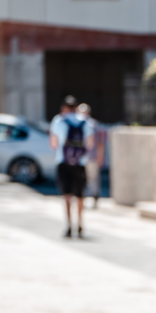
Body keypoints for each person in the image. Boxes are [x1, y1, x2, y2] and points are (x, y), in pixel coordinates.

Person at [50, 95, 94, 238]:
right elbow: (90, 143)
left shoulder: (58, 121)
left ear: (63, 107)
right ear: (76, 107)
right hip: (80, 163)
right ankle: (80, 224)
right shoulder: (85, 121)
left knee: (67, 196)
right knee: (80, 196)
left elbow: (53, 143)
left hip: (63, 162)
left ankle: (69, 225)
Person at [76, 103, 105, 208]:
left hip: (91, 157)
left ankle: (94, 198)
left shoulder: (93, 124)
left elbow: (100, 143)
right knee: (82, 179)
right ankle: (82, 200)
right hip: (80, 158)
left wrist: (100, 156)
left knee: (93, 179)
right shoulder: (77, 124)